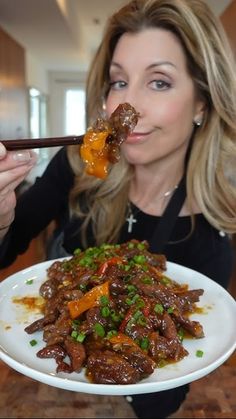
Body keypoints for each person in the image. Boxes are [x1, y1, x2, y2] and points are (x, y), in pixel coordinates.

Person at [0, 0, 236, 417]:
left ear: (202, 102)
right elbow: (6, 248)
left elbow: (181, 370)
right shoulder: (74, 167)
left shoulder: (214, 229)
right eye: (119, 82)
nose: (129, 107)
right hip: (41, 386)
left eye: (159, 82)